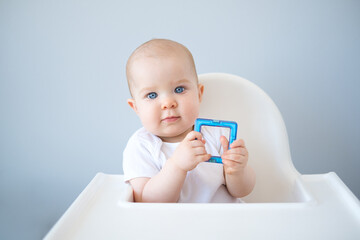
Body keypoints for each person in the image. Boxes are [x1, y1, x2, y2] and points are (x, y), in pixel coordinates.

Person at [123, 39, 255, 203]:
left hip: (226, 224)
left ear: (199, 94)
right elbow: (148, 202)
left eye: (179, 89)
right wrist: (177, 166)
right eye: (152, 95)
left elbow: (241, 191)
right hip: (176, 228)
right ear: (136, 107)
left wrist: (237, 171)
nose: (168, 103)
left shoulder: (218, 136)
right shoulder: (141, 147)